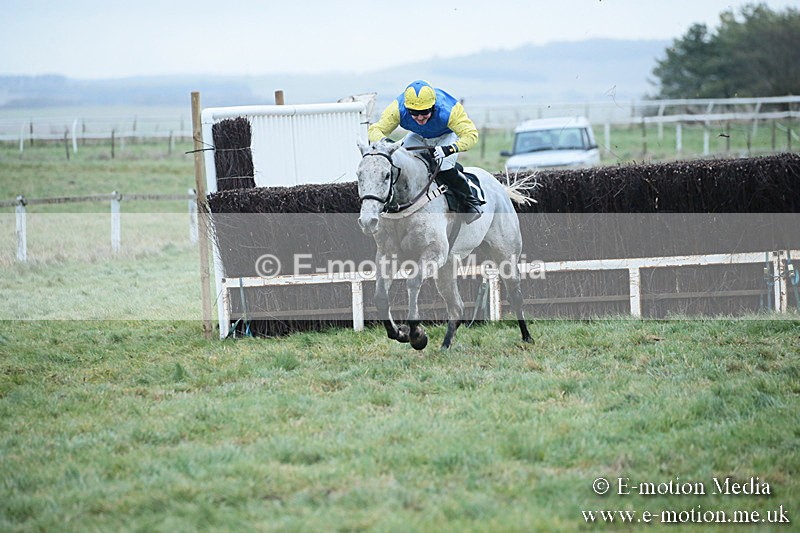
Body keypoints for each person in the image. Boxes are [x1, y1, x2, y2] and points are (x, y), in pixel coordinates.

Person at [368, 80, 484, 223]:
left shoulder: (448, 111)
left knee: (443, 166)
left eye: (424, 112)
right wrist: (391, 146)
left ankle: (471, 201)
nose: (420, 117)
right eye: (414, 113)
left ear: (433, 107)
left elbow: (471, 135)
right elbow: (374, 130)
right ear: (407, 108)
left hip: (446, 136)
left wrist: (449, 149)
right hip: (418, 135)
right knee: (402, 161)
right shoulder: (397, 109)